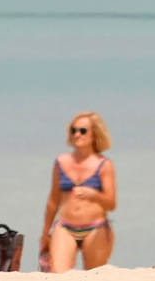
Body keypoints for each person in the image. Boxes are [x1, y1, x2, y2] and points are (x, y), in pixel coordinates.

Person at [39, 110, 116, 272]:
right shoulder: (61, 162)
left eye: (82, 131)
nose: (77, 135)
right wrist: (45, 233)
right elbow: (53, 201)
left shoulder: (104, 164)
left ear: (94, 134)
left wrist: (94, 195)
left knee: (94, 277)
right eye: (73, 130)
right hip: (65, 227)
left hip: (96, 228)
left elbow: (111, 203)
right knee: (58, 276)